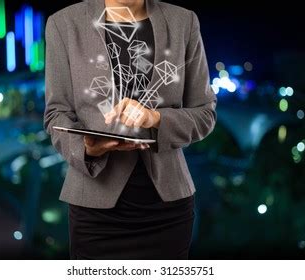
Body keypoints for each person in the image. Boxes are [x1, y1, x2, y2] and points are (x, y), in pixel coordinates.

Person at [44, 0, 217, 260]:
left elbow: (204, 114)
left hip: (167, 211)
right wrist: (87, 148)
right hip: (95, 210)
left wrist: (155, 118)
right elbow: (56, 113)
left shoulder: (184, 21)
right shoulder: (64, 23)